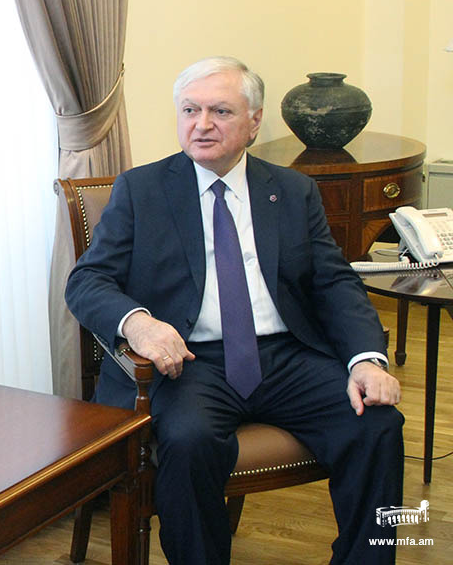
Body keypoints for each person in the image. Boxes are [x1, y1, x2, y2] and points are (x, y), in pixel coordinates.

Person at [65, 57, 404, 565]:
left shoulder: (291, 190)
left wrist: (366, 360)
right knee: (189, 441)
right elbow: (87, 280)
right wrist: (138, 323)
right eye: (190, 109)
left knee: (378, 425)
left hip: (286, 356)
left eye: (220, 110)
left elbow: (333, 281)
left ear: (254, 121)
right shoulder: (142, 190)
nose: (202, 124)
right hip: (189, 364)